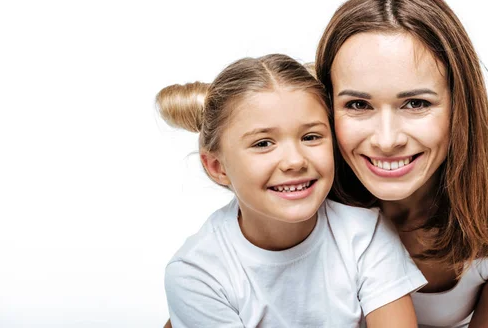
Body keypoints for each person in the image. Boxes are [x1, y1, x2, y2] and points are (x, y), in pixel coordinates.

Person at [314, 0, 488, 327]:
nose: (386, 140)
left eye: (416, 103)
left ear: (461, 105)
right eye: (358, 104)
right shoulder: (302, 186)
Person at [158, 54, 427, 328]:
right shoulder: (197, 274)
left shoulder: (366, 235)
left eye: (310, 137)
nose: (295, 161)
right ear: (217, 167)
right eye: (263, 143)